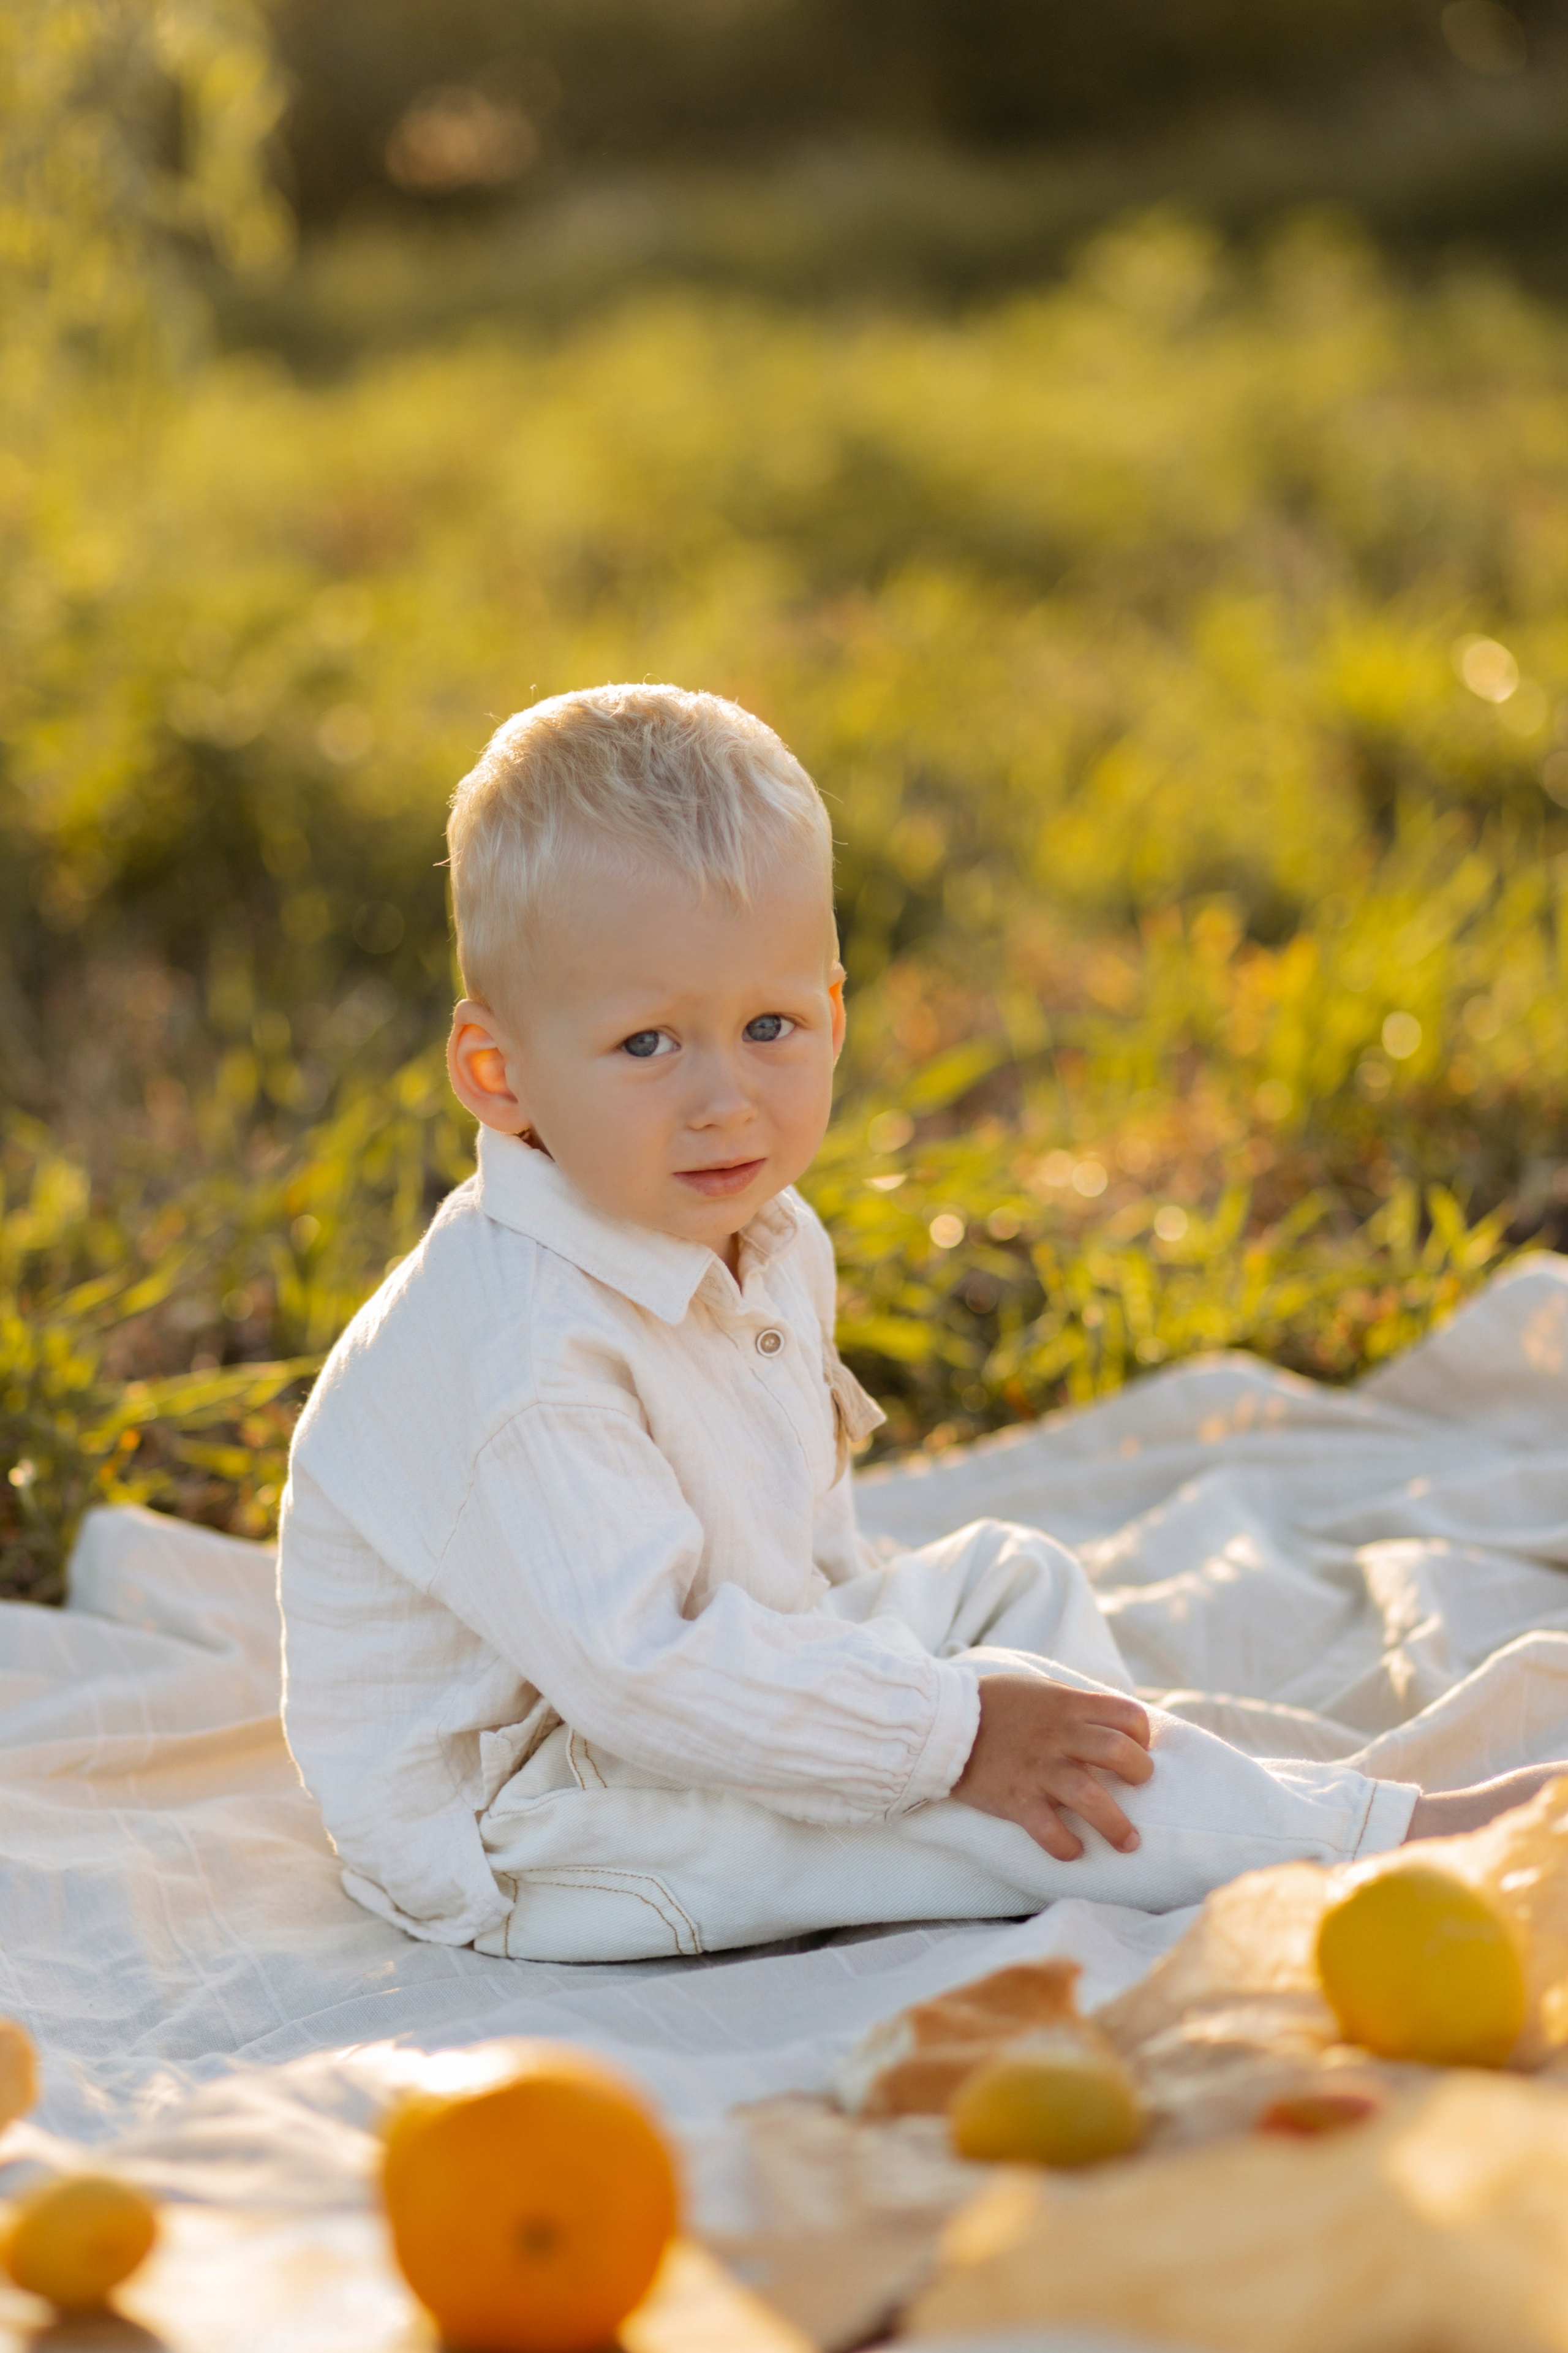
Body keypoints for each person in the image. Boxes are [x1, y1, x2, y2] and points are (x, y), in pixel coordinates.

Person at [277, 683, 1555, 1962]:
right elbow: (644, 1672)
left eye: (767, 1026)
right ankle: (1390, 1842)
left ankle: (1130, 1809)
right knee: (949, 1780)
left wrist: (942, 1711)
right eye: (647, 1042)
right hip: (530, 1829)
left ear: (831, 1013)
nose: (724, 1099)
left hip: (669, 1714)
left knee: (1015, 1584)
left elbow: (796, 1543)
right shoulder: (524, 1355)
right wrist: (944, 1739)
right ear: (499, 1076)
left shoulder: (759, 1237)